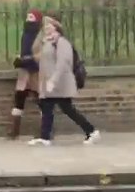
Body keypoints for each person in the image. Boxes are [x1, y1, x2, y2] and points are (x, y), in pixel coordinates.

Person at [28, 17, 100, 146]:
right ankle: (45, 138)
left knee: (68, 109)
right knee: (47, 108)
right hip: (49, 84)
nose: (46, 29)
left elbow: (62, 63)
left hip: (59, 84)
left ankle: (91, 131)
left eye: (49, 26)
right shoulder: (48, 42)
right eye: (45, 27)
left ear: (56, 28)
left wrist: (53, 81)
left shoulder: (62, 42)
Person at [7, 9, 43, 139]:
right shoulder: (25, 34)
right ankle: (14, 130)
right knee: (19, 98)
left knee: (41, 100)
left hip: (37, 71)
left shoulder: (40, 35)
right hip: (24, 70)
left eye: (31, 17)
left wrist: (29, 59)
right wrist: (20, 58)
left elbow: (42, 53)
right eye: (28, 17)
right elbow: (24, 50)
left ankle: (45, 130)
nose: (28, 19)